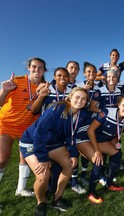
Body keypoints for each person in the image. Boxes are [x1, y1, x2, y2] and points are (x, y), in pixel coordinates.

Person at [19, 87, 89, 215]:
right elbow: (39, 133)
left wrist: (73, 154)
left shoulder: (81, 114)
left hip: (52, 143)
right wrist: (43, 158)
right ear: (70, 97)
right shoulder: (57, 108)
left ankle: (57, 198)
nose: (80, 100)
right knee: (43, 175)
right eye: (77, 97)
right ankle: (41, 202)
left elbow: (71, 135)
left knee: (69, 165)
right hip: (32, 141)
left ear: (86, 102)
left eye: (84, 99)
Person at [0, 57, 48, 202]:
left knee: (25, 159)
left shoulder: (45, 86)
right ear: (28, 67)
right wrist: (4, 91)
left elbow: (38, 109)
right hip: (7, 123)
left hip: (27, 128)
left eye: (40, 67)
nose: (37, 70)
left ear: (44, 70)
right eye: (34, 66)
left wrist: (41, 95)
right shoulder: (17, 81)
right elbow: (0, 102)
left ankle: (21, 189)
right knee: (2, 158)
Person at [87, 94, 124, 191]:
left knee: (117, 155)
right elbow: (90, 130)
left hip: (105, 140)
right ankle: (91, 192)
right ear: (119, 105)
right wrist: (97, 150)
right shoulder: (107, 112)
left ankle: (109, 183)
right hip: (92, 139)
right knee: (99, 162)